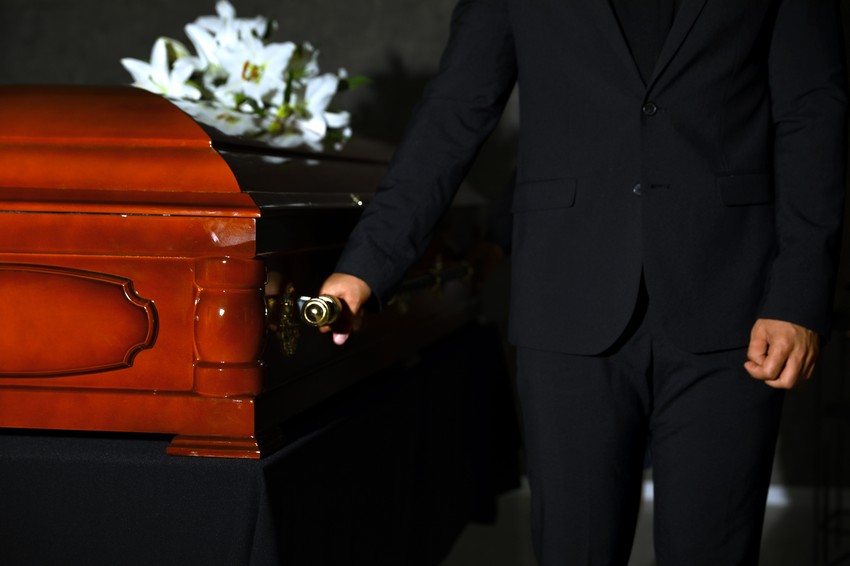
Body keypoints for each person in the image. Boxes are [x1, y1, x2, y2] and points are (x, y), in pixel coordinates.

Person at [319, 0, 848, 564]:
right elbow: (455, 109)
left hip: (734, 300)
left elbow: (812, 113)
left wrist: (800, 295)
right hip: (565, 298)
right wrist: (367, 264)